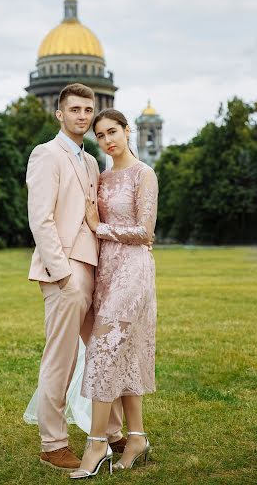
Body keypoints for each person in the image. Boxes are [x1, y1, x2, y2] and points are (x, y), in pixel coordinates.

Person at [26, 84, 125, 471]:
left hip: (93, 270)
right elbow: (41, 219)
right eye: (75, 110)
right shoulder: (46, 155)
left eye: (89, 109)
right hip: (66, 272)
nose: (83, 116)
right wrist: (63, 273)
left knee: (101, 355)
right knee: (62, 359)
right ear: (59, 114)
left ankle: (113, 434)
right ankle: (52, 443)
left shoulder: (90, 162)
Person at [69, 108, 158, 479]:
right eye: (100, 135)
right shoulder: (102, 178)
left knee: (103, 355)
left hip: (134, 273)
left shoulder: (144, 174)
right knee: (123, 357)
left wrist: (98, 226)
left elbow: (145, 231)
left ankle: (97, 444)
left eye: (112, 132)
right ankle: (135, 437)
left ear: (127, 130)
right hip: (106, 272)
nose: (107, 140)